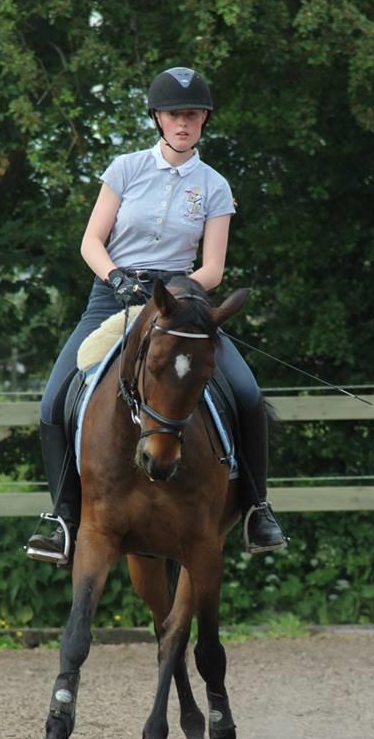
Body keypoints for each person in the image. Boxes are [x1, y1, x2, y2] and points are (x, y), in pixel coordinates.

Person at [25, 66, 286, 566]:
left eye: (192, 114)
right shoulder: (124, 169)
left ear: (204, 120)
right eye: (173, 114)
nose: (183, 122)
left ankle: (257, 508)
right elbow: (91, 241)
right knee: (52, 402)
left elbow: (212, 268)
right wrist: (118, 278)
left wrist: (178, 291)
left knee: (249, 396)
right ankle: (61, 516)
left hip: (180, 305)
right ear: (158, 119)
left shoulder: (213, 185)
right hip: (111, 297)